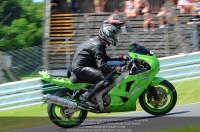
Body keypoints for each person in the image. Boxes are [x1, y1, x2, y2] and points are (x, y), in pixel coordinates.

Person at [72, 24, 130, 108]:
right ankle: (85, 97)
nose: (114, 37)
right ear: (106, 35)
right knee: (107, 80)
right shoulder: (97, 45)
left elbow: (105, 59)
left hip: (84, 66)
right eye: (112, 35)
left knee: (108, 75)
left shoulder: (99, 43)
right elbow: (102, 66)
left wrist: (120, 57)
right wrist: (117, 69)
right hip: (81, 68)